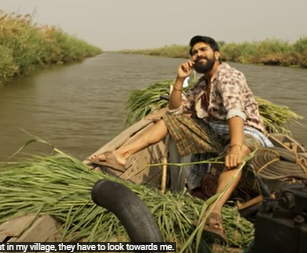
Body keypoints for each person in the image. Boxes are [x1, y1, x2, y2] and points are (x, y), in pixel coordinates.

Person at [88, 35, 273, 243]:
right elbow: (175, 109)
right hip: (216, 131)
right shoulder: (202, 83)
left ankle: (213, 212)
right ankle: (121, 155)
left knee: (237, 154)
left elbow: (236, 112)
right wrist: (178, 80)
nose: (198, 54)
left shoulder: (227, 76)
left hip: (246, 130)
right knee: (169, 122)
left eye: (203, 50)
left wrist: (236, 146)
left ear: (217, 54)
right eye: (194, 52)